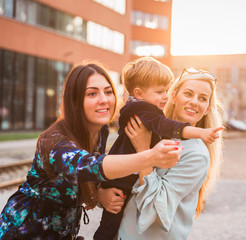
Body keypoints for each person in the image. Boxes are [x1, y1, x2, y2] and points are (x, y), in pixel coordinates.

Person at [0, 61, 182, 240]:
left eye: (108, 91)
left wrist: (99, 193)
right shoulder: (55, 142)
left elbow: (85, 179)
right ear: (75, 101)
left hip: (62, 232)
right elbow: (87, 166)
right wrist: (149, 156)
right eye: (92, 93)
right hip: (25, 232)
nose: (103, 99)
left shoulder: (100, 131)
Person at [94, 57, 223, 240]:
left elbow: (154, 210)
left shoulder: (196, 154)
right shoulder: (152, 130)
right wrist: (102, 194)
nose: (195, 102)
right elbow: (123, 179)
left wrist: (143, 151)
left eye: (202, 98)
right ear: (174, 95)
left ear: (207, 108)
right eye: (188, 94)